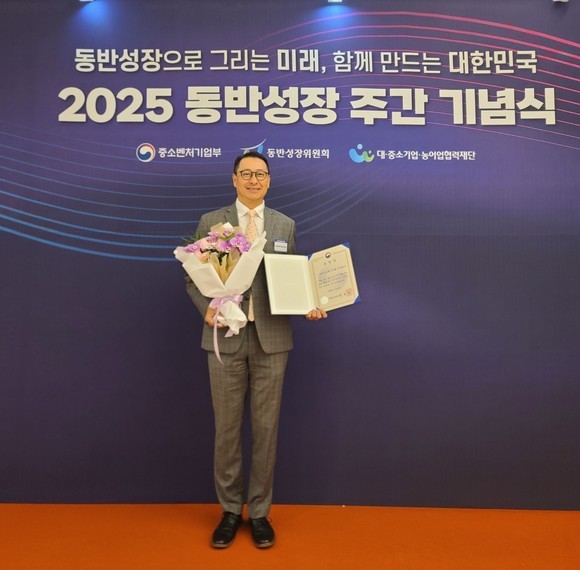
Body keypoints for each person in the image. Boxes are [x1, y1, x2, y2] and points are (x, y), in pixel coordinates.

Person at [185, 151, 327, 549]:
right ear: (233, 179)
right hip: (225, 336)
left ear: (269, 180)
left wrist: (310, 304)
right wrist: (207, 308)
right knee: (227, 430)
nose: (253, 180)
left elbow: (294, 278)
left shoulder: (285, 224)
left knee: (266, 430)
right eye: (246, 173)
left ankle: (260, 512)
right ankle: (230, 511)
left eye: (260, 174)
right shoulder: (212, 221)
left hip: (272, 340)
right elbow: (194, 279)